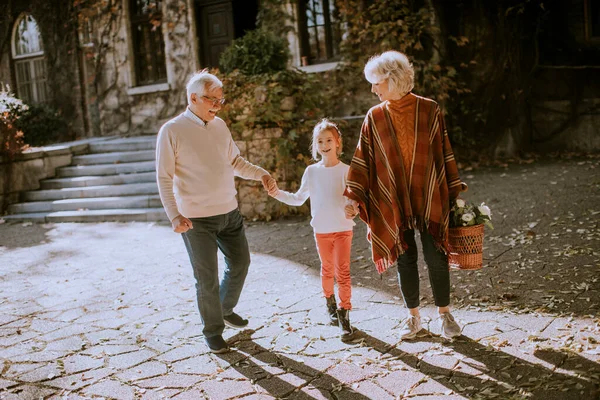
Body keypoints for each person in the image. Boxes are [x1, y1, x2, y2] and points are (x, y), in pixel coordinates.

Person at [344, 51, 468, 340]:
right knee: (404, 257)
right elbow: (363, 158)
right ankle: (413, 318)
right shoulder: (374, 117)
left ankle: (445, 314)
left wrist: (451, 190)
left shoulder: (429, 109)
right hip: (393, 198)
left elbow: (442, 151)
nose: (373, 89)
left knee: (436, 255)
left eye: (376, 82)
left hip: (427, 193)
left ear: (393, 79)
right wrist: (353, 196)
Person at [156, 71, 275, 353]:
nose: (217, 106)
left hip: (229, 213)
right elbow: (164, 177)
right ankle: (212, 331)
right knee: (206, 278)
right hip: (196, 220)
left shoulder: (220, 125)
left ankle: (224, 308)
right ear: (193, 97)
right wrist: (174, 215)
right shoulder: (171, 131)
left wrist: (261, 174)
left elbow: (235, 160)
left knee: (241, 263)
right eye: (213, 100)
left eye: (221, 101)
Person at [268, 119, 358, 341]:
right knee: (327, 270)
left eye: (329, 140)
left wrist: (353, 209)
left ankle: (344, 317)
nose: (325, 144)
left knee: (343, 272)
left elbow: (355, 200)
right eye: (320, 141)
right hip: (322, 230)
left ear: (338, 142)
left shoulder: (347, 170)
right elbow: (299, 199)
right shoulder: (311, 172)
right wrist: (277, 193)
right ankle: (330, 304)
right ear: (315, 146)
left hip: (343, 229)